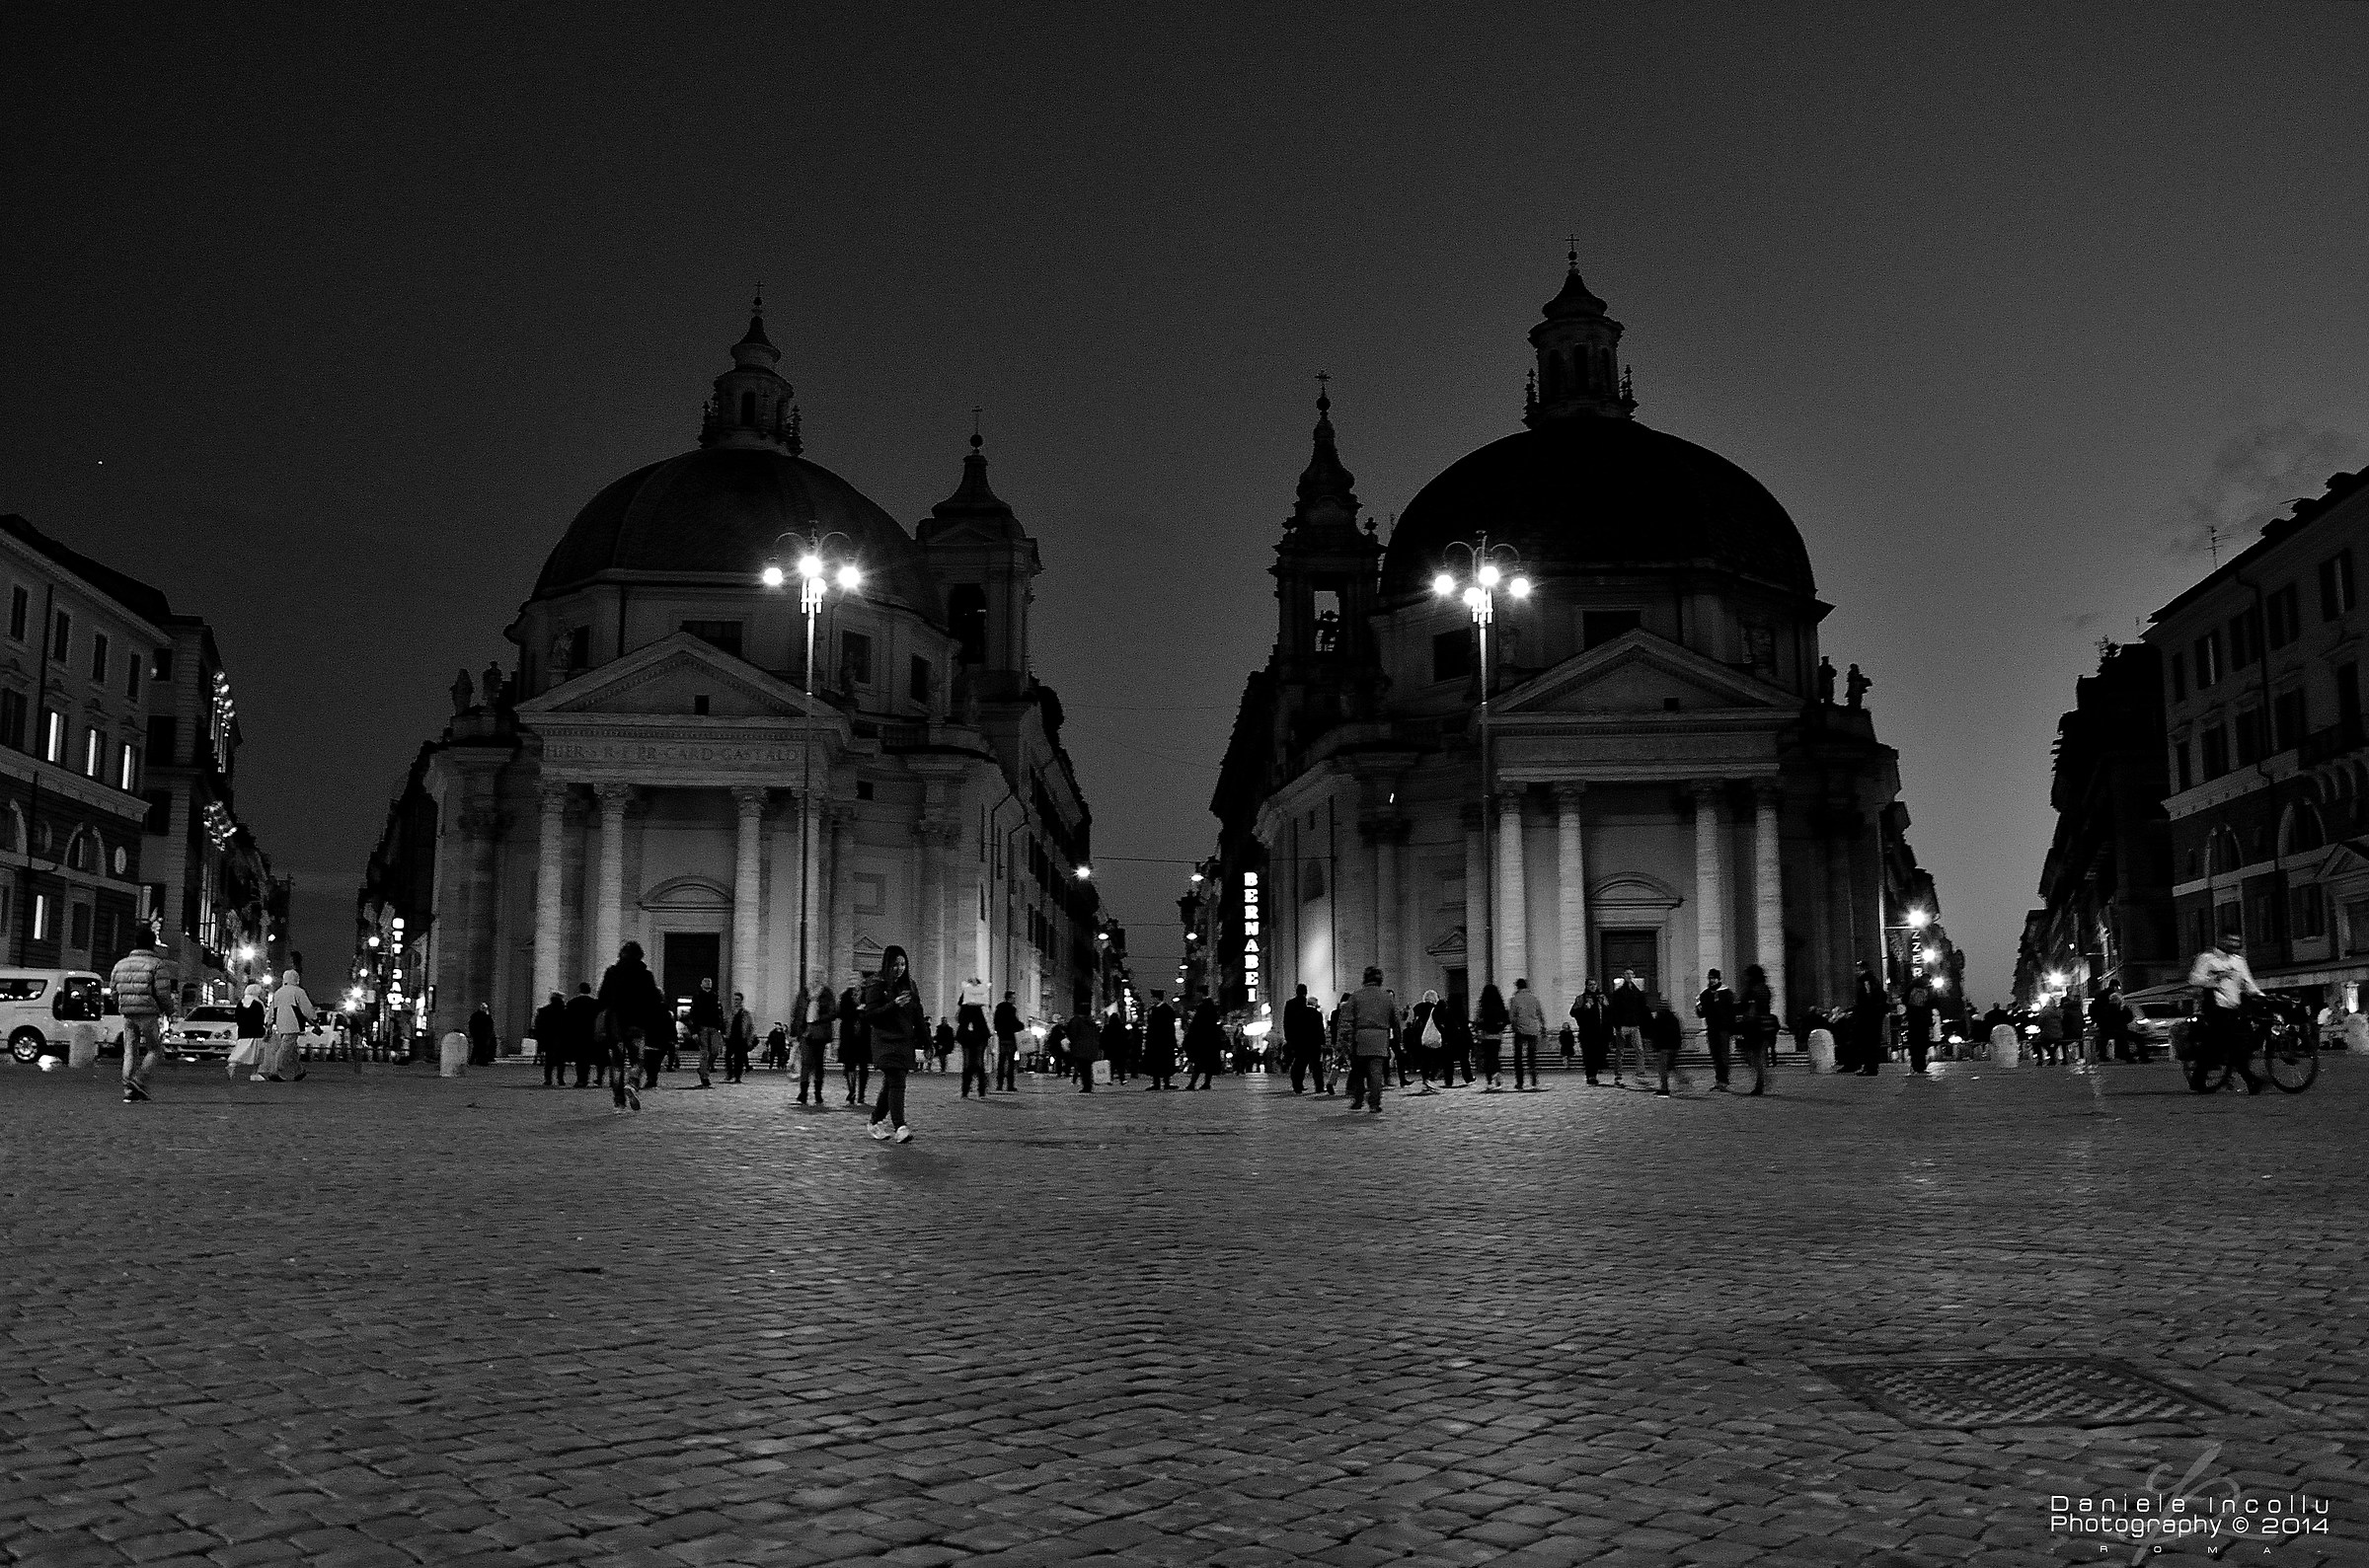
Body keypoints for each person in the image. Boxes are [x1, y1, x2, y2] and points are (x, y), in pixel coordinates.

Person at [2189, 932, 2265, 1093]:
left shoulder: (2239, 961)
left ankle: (2199, 1077)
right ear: (2221, 940)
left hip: (2234, 1008)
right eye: (2230, 940)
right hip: (2215, 1008)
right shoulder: (2207, 959)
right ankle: (2251, 1080)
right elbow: (2195, 979)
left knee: (2231, 1045)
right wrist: (2215, 979)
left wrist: (2261, 996)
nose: (2234, 944)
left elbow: (2249, 983)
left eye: (2237, 941)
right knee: (2231, 1043)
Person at [863, 945, 925, 1142]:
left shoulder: (910, 985)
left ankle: (875, 1121)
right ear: (887, 964)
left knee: (891, 1083)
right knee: (897, 1079)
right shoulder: (876, 984)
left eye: (903, 964)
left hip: (904, 1041)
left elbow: (918, 1016)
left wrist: (927, 1042)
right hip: (885, 1040)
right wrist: (893, 1004)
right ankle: (900, 1126)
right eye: (896, 964)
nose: (900, 968)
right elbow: (871, 1015)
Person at [110, 927, 179, 1103]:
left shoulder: (120, 964)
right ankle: (140, 1079)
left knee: (130, 1050)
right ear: (152, 943)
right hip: (148, 1011)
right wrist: (169, 1011)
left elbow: (113, 992)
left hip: (128, 1013)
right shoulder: (156, 964)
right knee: (155, 1049)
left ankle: (128, 1088)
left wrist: (120, 1004)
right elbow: (162, 992)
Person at [595, 943, 656, 1110]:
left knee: (616, 1064)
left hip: (615, 1024)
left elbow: (602, 999)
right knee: (638, 1060)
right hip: (637, 1023)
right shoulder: (645, 975)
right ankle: (632, 1083)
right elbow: (653, 1001)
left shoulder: (612, 973)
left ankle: (619, 1102)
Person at [1344, 966, 1398, 1115]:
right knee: (1376, 1073)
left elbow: (1346, 1020)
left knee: (1359, 1072)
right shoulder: (1387, 997)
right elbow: (1395, 1021)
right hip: (1380, 1038)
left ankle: (1358, 1099)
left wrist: (1344, 1039)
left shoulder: (1356, 996)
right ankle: (1374, 1103)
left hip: (1360, 1038)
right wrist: (1398, 1040)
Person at [269, 971, 319, 1083]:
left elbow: (272, 1009)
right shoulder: (298, 991)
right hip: (294, 1023)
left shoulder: (278, 992)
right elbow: (307, 1009)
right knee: (286, 1048)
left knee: (292, 1049)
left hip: (280, 1023)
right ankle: (275, 1071)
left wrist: (269, 1023)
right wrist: (315, 1020)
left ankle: (299, 1070)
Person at [1696, 968, 1738, 1091]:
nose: (1711, 980)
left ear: (1718, 979)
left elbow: (1732, 1012)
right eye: (1710, 978)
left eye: (1713, 978)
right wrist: (1698, 1007)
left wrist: (1733, 1028)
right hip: (1712, 1029)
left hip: (1724, 1029)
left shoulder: (1726, 993)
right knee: (1715, 1055)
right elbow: (1701, 1014)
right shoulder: (1705, 994)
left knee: (1724, 1055)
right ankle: (1719, 1080)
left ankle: (1723, 1080)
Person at [1608, 970, 1649, 1086]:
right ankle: (1618, 1074)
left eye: (1631, 974)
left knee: (1639, 1049)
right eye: (1626, 974)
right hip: (1623, 1025)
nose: (1629, 976)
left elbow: (1643, 1009)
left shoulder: (1638, 993)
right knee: (1620, 1050)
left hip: (1635, 1024)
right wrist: (1617, 1026)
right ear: (1623, 976)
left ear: (1634, 976)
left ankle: (1641, 1072)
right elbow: (1614, 1010)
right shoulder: (1618, 993)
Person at [1738, 963, 1775, 1096]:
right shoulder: (1765, 989)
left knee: (1752, 1055)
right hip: (1766, 1025)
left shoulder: (1752, 990)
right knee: (1759, 1055)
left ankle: (1761, 1081)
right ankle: (1762, 1079)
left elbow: (1745, 1007)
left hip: (1754, 1026)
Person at [798, 979, 835, 1104]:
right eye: (813, 974)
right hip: (806, 1032)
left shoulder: (827, 994)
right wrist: (795, 1032)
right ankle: (803, 1093)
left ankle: (818, 1093)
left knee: (818, 1064)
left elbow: (833, 1012)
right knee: (805, 1062)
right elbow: (798, 1012)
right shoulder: (804, 992)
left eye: (818, 974)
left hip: (820, 1032)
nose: (815, 978)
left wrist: (819, 1017)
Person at [1283, 984, 1325, 1093]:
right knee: (1316, 1064)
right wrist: (1322, 1041)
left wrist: (1289, 1038)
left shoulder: (1290, 1004)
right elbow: (1320, 1029)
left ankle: (1297, 1085)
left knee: (1299, 1063)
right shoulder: (1313, 1011)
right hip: (1313, 1040)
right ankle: (1319, 1086)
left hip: (1298, 1039)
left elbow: (1287, 1023)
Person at [685, 977, 724, 1089]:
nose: (708, 982)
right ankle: (705, 1077)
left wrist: (722, 1028)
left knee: (715, 1051)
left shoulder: (715, 996)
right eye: (705, 981)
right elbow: (693, 1014)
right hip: (702, 1028)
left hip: (714, 1028)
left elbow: (719, 1013)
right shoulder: (697, 997)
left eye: (709, 981)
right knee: (704, 1053)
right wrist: (694, 1031)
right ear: (701, 984)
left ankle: (703, 1069)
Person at [1571, 980, 1611, 1085]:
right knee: (1589, 1054)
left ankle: (1595, 1071)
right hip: (1587, 1032)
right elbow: (1573, 1012)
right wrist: (1584, 1008)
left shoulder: (1601, 997)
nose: (1593, 986)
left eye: (1594, 984)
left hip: (1601, 1032)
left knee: (1599, 1052)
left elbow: (1609, 1012)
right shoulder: (1581, 998)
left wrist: (1606, 1006)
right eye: (1590, 985)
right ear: (1587, 986)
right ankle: (1591, 1075)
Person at [838, 978, 870, 1105]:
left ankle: (861, 1094)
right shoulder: (845, 997)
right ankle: (852, 1091)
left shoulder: (867, 996)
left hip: (864, 1036)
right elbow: (841, 1014)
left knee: (864, 1066)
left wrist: (865, 1010)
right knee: (849, 1066)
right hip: (849, 1036)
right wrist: (856, 1010)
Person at [1472, 982, 1508, 1091]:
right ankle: (1497, 1075)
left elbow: (1477, 1019)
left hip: (1485, 1035)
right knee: (1495, 1057)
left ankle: (1489, 1082)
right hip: (1497, 1036)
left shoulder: (1482, 1006)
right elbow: (1506, 1018)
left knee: (1487, 1058)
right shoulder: (1500, 1005)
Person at [564, 983, 601, 1088]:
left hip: (577, 1034)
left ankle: (580, 1079)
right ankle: (585, 1078)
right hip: (591, 1034)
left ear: (579, 989)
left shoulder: (572, 1003)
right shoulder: (595, 1003)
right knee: (587, 1058)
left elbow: (567, 1021)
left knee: (579, 1058)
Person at [1647, 992, 1685, 1095]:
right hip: (1673, 1047)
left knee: (1663, 1069)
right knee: (1671, 1066)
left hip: (1664, 1047)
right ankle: (1684, 1080)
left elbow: (1656, 1034)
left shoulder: (1659, 1019)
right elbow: (1678, 1033)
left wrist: (1655, 1047)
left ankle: (1664, 1088)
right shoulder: (1674, 1018)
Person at [1406, 990, 1443, 1095]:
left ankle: (1425, 1079)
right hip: (1431, 1037)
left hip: (1419, 1037)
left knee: (1424, 1061)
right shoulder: (1435, 1009)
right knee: (1436, 1058)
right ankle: (1431, 1078)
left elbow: (1410, 1022)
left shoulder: (1416, 1008)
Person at [1183, 1001, 1225, 1090]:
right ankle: (1203, 1083)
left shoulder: (1203, 1012)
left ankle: (1195, 1083)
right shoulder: (1209, 1009)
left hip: (1204, 1043)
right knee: (1205, 1063)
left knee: (1200, 1064)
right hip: (1208, 1043)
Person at [230, 981, 267, 1082]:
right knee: (256, 1055)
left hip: (243, 1032)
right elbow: (262, 1019)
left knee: (240, 1050)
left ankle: (233, 1064)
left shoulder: (240, 1003)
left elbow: (237, 1017)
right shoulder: (258, 1004)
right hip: (256, 1032)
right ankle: (254, 1073)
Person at [534, 992, 570, 1087]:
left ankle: (548, 1079)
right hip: (562, 1038)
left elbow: (538, 1026)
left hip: (548, 1039)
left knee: (549, 1061)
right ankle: (560, 1079)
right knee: (561, 1061)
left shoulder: (543, 1010)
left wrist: (540, 1039)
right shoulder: (565, 1011)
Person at [994, 991, 1025, 1091]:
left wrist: (999, 1032)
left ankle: (999, 1084)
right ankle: (1010, 1085)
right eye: (1013, 998)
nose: (1014, 999)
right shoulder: (1011, 1009)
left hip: (1002, 1038)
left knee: (1001, 1061)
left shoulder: (999, 1008)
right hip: (1010, 1038)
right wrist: (1021, 1026)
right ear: (1009, 998)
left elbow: (996, 1022)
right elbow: (1014, 1022)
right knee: (1011, 1062)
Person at [1901, 983, 1935, 1075]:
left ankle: (1915, 1065)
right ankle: (1921, 1066)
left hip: (1914, 1021)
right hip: (1923, 1021)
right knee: (1922, 1044)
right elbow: (1932, 1004)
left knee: (1915, 1044)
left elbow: (1904, 1000)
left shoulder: (1911, 990)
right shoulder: (1926, 991)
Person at [725, 990, 756, 1083]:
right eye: (734, 999)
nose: (736, 1001)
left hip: (741, 1038)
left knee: (739, 1059)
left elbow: (750, 1027)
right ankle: (730, 1072)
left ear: (741, 1001)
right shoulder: (730, 1013)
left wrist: (749, 1039)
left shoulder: (746, 1014)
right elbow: (726, 1024)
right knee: (727, 1056)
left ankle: (738, 1076)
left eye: (737, 999)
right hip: (731, 1038)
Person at [1069, 1007, 1101, 1092]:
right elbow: (1096, 1035)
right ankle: (1088, 1085)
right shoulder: (1091, 1022)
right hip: (1091, 1048)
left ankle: (1086, 1086)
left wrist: (1072, 1045)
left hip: (1080, 1048)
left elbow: (1073, 1034)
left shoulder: (1076, 1021)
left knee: (1083, 1068)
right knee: (1087, 1068)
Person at [465, 1001, 496, 1071]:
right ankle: (480, 1061)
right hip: (481, 1034)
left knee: (478, 1048)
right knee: (480, 1048)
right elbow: (490, 1025)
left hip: (480, 1034)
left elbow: (471, 1025)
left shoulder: (476, 1015)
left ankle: (476, 1060)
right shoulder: (484, 1016)